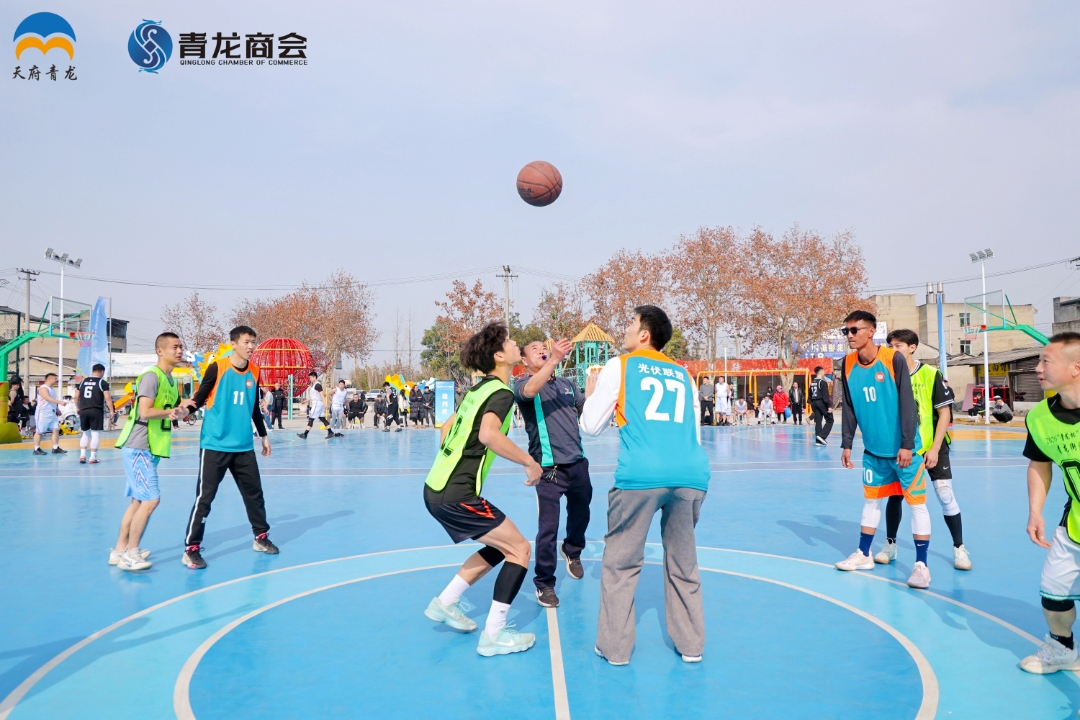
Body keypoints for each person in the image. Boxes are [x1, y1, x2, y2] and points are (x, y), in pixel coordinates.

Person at [582, 306, 710, 666]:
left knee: (621, 566)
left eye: (630, 322)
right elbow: (694, 433)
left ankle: (615, 649)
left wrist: (591, 396)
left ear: (644, 334)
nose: (624, 329)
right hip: (691, 474)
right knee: (684, 563)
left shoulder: (620, 365)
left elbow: (591, 425)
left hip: (641, 476)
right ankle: (692, 646)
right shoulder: (684, 374)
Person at [422, 322, 542, 657]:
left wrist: (455, 461)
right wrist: (529, 462)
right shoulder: (501, 393)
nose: (516, 343)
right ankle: (494, 634)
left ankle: (446, 602)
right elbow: (489, 434)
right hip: (457, 494)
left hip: (437, 487)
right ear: (499, 356)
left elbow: (447, 431)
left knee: (500, 545)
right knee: (520, 549)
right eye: (510, 341)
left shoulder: (477, 390)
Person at [834, 311, 931, 589]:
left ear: (871, 331)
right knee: (870, 502)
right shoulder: (847, 364)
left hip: (903, 452)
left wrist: (907, 444)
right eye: (846, 331)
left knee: (917, 505)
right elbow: (849, 407)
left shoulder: (893, 359)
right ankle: (864, 554)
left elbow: (908, 403)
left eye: (854, 330)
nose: (849, 335)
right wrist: (847, 443)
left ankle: (921, 565)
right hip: (874, 452)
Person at [179, 326, 278, 570]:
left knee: (254, 494)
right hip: (215, 444)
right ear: (233, 343)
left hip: (243, 445)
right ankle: (191, 548)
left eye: (253, 342)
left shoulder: (255, 371)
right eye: (246, 342)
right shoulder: (218, 367)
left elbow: (253, 408)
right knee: (205, 498)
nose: (251, 346)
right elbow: (200, 397)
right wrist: (185, 410)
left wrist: (264, 435)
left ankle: (260, 537)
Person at [878, 330, 970, 570]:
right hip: (903, 448)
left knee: (945, 495)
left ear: (912, 347)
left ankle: (959, 548)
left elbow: (944, 414)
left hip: (932, 447)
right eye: (889, 346)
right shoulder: (887, 376)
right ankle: (891, 545)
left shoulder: (930, 374)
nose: (892, 350)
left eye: (897, 345)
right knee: (895, 496)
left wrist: (935, 448)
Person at [515, 338, 592, 608]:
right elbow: (530, 390)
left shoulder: (567, 384)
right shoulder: (523, 385)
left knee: (582, 514)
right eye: (533, 349)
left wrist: (595, 396)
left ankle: (572, 550)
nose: (541, 350)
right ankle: (544, 583)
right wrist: (556, 359)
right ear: (524, 360)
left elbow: (586, 412)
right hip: (548, 469)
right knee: (548, 528)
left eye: (543, 347)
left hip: (578, 464)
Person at [1020, 332, 1080, 674]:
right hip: (1074, 526)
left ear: (1076, 368)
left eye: (1046, 361)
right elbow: (1040, 463)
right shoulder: (1040, 417)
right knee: (1053, 594)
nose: (1038, 368)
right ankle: (1063, 649)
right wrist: (1035, 511)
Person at [110, 333, 185, 571]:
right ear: (160, 351)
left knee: (138, 501)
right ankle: (131, 554)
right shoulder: (152, 376)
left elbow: (173, 410)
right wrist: (169, 413)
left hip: (150, 447)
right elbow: (145, 411)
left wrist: (185, 408)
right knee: (151, 499)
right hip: (139, 446)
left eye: (181, 347)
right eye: (174, 347)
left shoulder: (171, 380)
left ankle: (119, 550)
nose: (179, 351)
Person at [77, 363, 114, 464]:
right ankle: (92, 457)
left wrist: (77, 407)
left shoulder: (82, 382)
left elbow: (76, 397)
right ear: (102, 372)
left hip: (84, 410)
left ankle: (82, 456)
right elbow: (107, 397)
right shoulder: (102, 382)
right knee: (95, 434)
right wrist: (111, 410)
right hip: (96, 410)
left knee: (85, 433)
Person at [32, 373, 64, 455]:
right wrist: (60, 402)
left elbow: (52, 401)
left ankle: (55, 447)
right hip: (43, 412)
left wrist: (56, 409)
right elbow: (47, 398)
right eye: (55, 378)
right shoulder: (43, 388)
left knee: (56, 429)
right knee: (39, 431)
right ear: (49, 379)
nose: (56, 380)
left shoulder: (52, 389)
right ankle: (36, 448)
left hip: (52, 412)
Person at [298, 372, 334, 440]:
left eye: (310, 378)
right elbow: (313, 396)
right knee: (322, 418)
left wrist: (325, 404)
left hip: (317, 404)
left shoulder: (317, 385)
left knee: (311, 418)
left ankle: (305, 434)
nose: (310, 379)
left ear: (314, 377)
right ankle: (330, 432)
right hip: (317, 403)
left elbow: (322, 395)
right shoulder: (314, 386)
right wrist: (306, 401)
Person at [810, 366, 835, 445]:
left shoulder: (812, 382)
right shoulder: (822, 382)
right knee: (830, 420)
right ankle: (822, 436)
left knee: (818, 421)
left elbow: (810, 395)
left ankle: (818, 441)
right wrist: (829, 406)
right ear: (821, 372)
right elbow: (825, 396)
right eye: (823, 372)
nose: (824, 373)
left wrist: (811, 403)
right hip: (821, 402)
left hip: (814, 403)